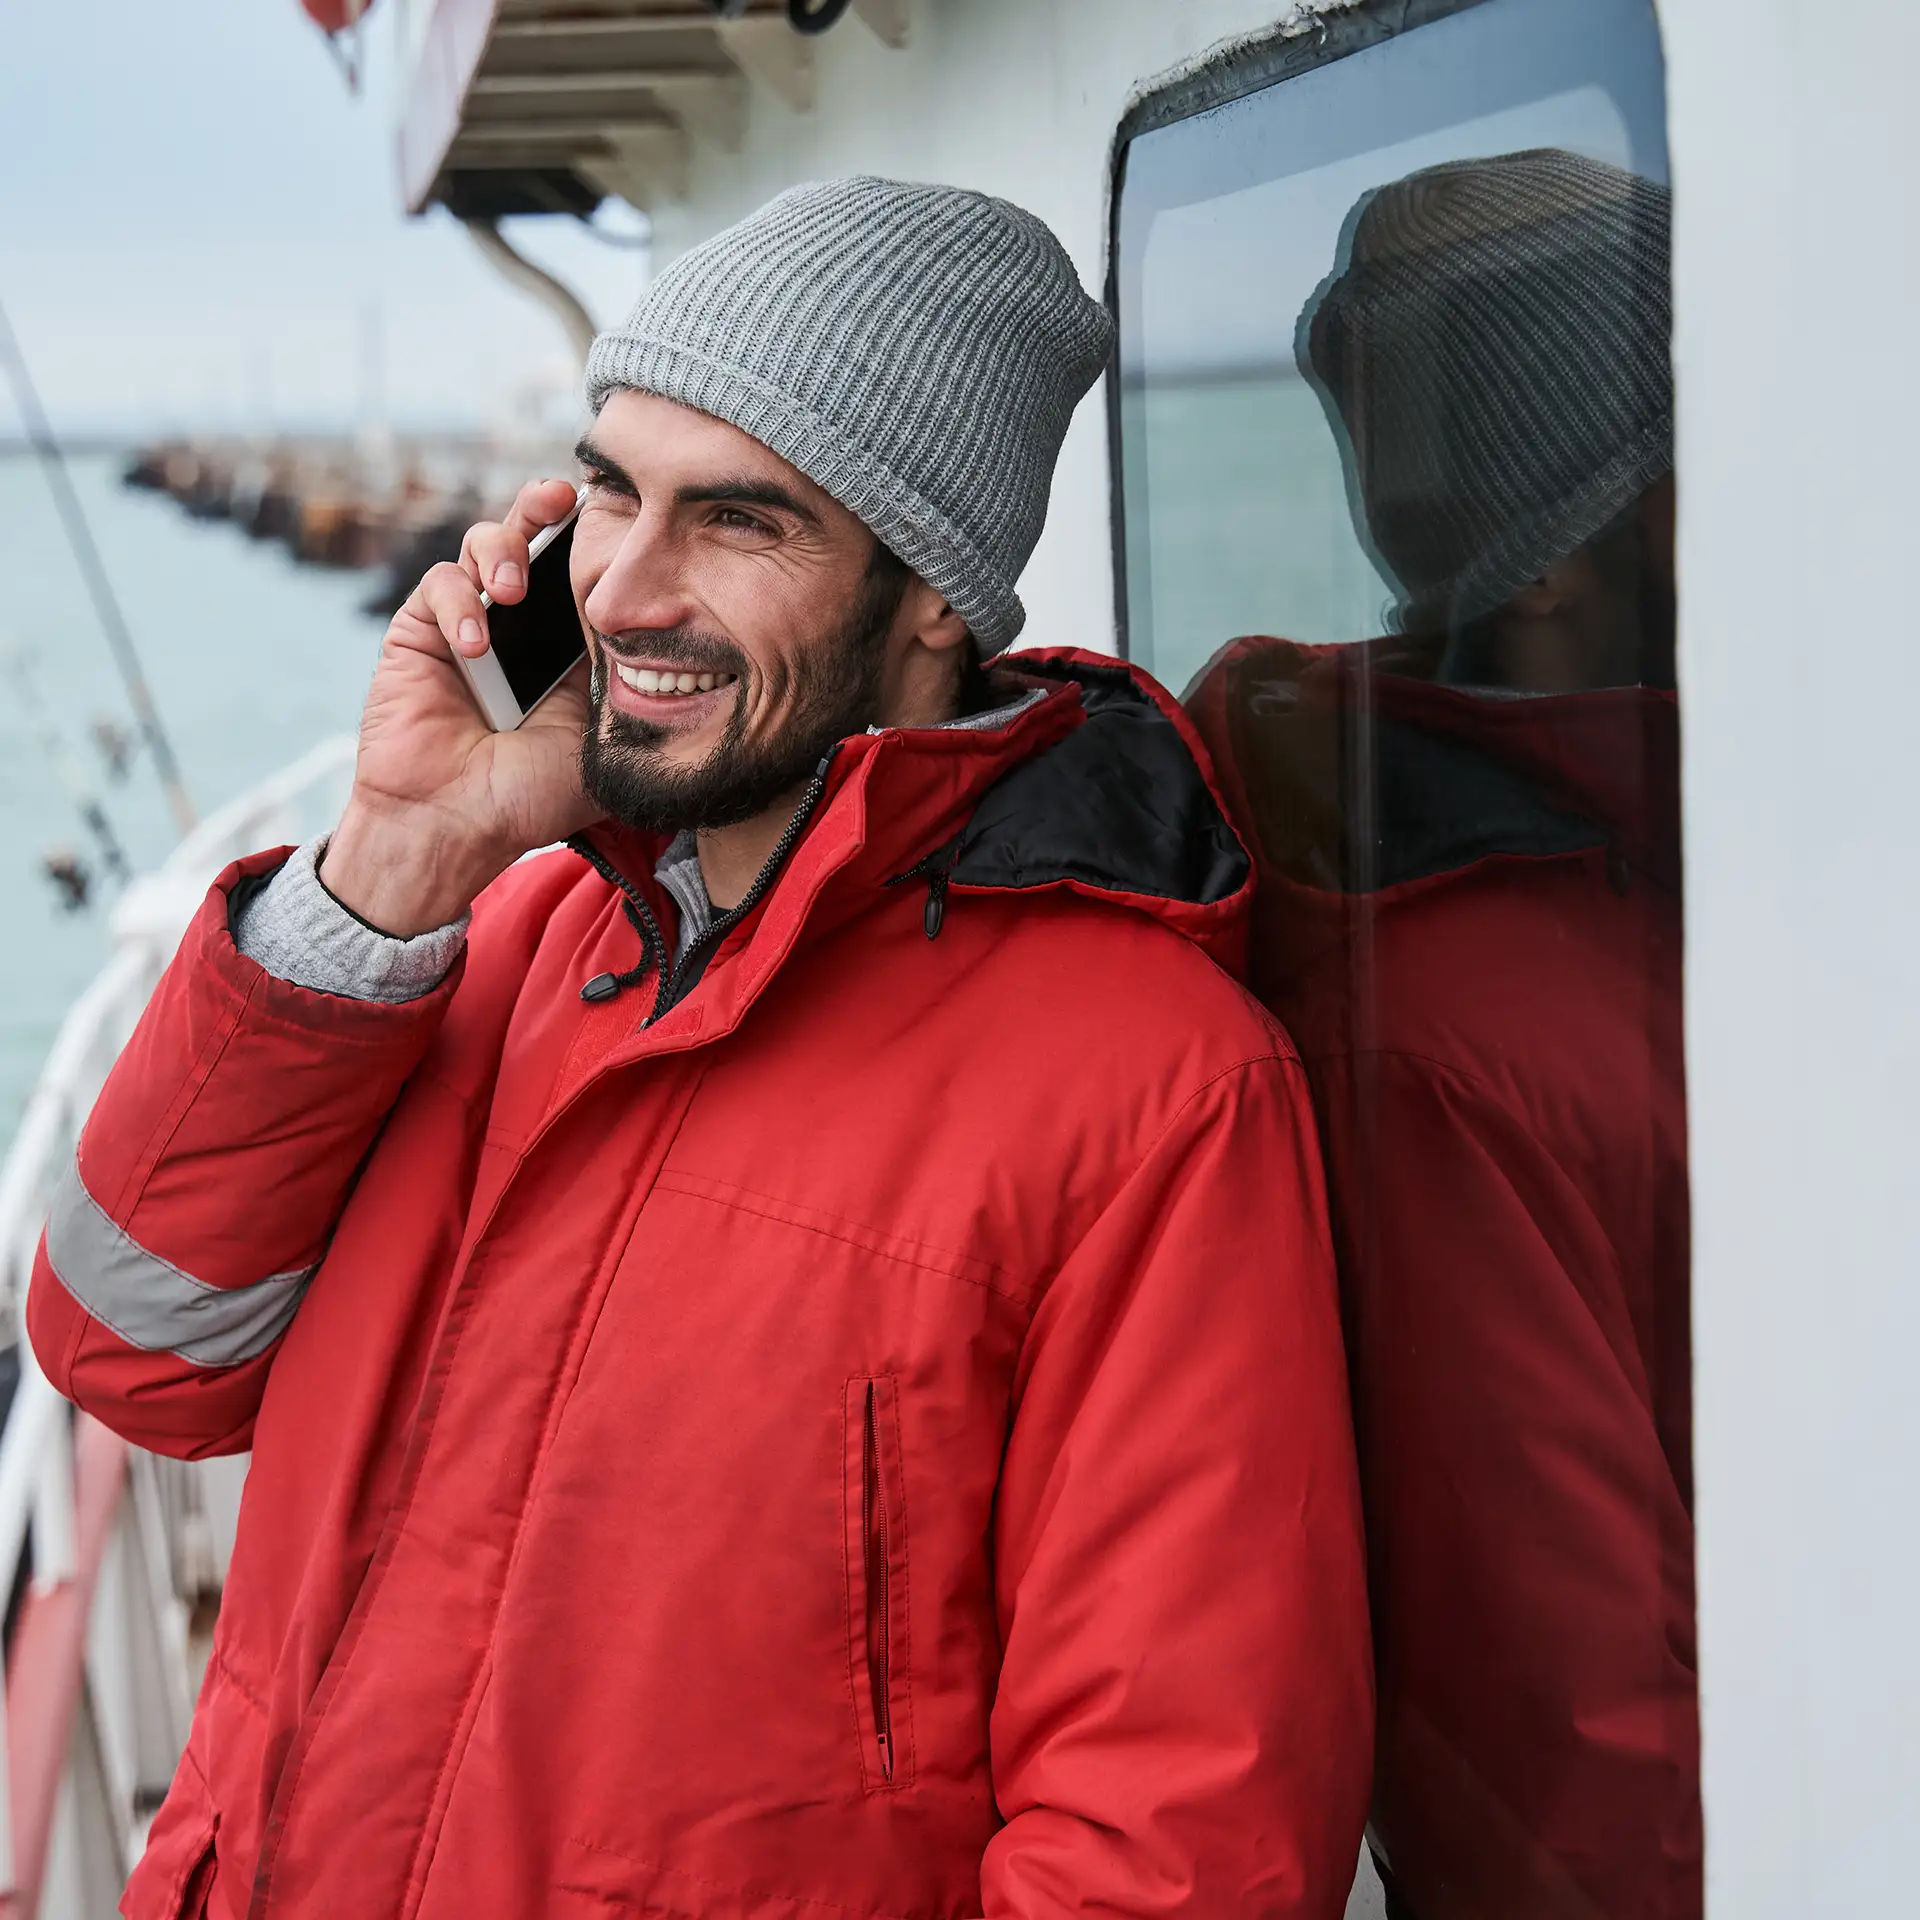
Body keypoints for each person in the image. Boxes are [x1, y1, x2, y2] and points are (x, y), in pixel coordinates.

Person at [31, 177, 1372, 1919]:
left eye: (740, 522)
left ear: (934, 600)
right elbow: (132, 1348)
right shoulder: (493, 939)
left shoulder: (1158, 1090)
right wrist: (393, 863)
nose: (627, 591)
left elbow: (1178, 1838)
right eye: (609, 489)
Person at [1186, 150, 1698, 1918]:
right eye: (1695, 456)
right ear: (1556, 556)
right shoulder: (1435, 1027)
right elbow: (1564, 1735)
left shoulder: (1697, 832)